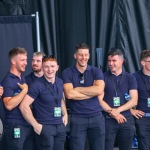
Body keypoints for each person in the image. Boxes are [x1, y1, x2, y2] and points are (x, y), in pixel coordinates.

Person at [61, 43, 105, 150]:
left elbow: (99, 90)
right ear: (75, 56)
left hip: (96, 117)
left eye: (86, 55)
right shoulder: (67, 72)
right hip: (77, 118)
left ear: (89, 56)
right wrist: (91, 91)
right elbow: (69, 94)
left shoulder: (96, 71)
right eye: (80, 55)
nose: (83, 58)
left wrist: (78, 89)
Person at [20, 55, 68, 150]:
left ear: (57, 67)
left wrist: (65, 113)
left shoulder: (60, 82)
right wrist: (36, 125)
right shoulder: (36, 85)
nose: (49, 69)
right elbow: (23, 106)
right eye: (46, 67)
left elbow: (60, 99)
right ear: (42, 68)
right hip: (45, 127)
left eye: (52, 66)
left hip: (60, 127)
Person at [103, 48, 138, 150]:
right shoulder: (102, 77)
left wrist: (117, 111)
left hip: (126, 120)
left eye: (114, 61)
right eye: (109, 61)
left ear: (121, 61)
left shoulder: (130, 78)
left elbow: (134, 100)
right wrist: (114, 113)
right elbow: (99, 99)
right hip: (108, 120)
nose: (111, 63)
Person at [1, 47, 34, 150]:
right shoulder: (8, 81)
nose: (26, 63)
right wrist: (24, 91)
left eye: (26, 60)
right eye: (22, 60)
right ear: (13, 61)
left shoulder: (22, 78)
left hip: (26, 124)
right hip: (14, 125)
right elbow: (8, 105)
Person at [131, 50, 150, 150]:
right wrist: (131, 110)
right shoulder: (134, 77)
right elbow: (124, 96)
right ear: (143, 62)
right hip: (143, 119)